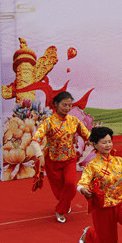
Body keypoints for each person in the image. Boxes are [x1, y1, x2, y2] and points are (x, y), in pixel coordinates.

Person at [31, 91, 91, 222]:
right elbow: (35, 140)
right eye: (64, 105)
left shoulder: (74, 120)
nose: (68, 108)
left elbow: (87, 135)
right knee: (60, 194)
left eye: (70, 105)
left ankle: (60, 211)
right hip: (52, 161)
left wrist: (101, 141)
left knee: (70, 185)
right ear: (56, 105)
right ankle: (64, 204)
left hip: (69, 159)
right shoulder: (49, 122)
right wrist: (39, 155)